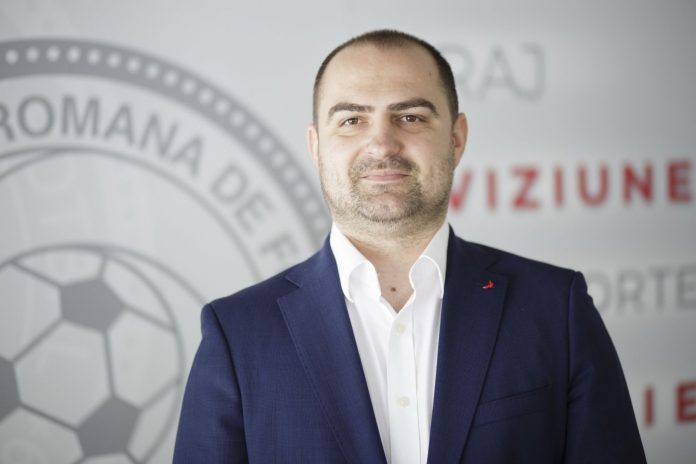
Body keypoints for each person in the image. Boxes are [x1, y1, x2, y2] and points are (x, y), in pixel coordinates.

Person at [173, 29, 646, 463]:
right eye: (352, 120)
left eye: (410, 117)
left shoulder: (555, 308)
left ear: (456, 139)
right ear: (316, 147)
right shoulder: (237, 333)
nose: (382, 144)